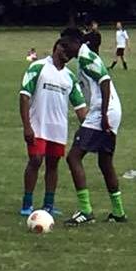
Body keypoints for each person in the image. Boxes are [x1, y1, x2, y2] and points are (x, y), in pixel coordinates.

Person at [20, 37, 88, 216]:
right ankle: (27, 203)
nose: (68, 57)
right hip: (38, 124)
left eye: (71, 55)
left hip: (58, 128)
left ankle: (49, 204)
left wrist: (90, 129)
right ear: (57, 48)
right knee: (35, 160)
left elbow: (80, 107)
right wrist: (27, 126)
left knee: (53, 164)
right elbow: (24, 96)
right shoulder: (38, 67)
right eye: (66, 52)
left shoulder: (70, 77)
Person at [64, 38, 126, 225]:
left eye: (66, 45)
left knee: (73, 157)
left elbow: (105, 81)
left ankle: (86, 211)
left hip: (103, 111)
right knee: (105, 162)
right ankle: (118, 212)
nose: (65, 51)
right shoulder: (85, 56)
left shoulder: (85, 57)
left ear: (75, 44)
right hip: (110, 110)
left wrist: (104, 114)